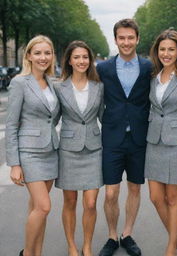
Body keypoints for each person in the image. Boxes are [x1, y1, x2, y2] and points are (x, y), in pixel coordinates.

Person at [96, 18, 152, 256]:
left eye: (131, 37)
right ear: (116, 39)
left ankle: (127, 233)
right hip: (112, 137)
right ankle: (111, 235)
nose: (126, 42)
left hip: (139, 138)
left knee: (135, 189)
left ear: (137, 39)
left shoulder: (150, 67)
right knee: (110, 192)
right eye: (122, 38)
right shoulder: (103, 69)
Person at [5, 35, 60, 256]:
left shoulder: (51, 83)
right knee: (44, 206)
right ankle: (27, 253)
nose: (43, 57)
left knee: (37, 209)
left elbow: (52, 118)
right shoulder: (20, 82)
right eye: (37, 53)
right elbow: (11, 124)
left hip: (50, 151)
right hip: (30, 153)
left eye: (47, 53)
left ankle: (37, 252)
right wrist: (14, 163)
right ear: (29, 55)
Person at [144, 30, 177, 256]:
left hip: (176, 144)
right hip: (154, 142)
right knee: (155, 197)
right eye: (162, 49)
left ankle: (171, 248)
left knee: (173, 199)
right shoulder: (153, 76)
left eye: (171, 49)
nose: (166, 53)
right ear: (157, 52)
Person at [54, 40, 104, 256]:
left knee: (91, 203)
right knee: (70, 201)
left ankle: (87, 246)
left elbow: (106, 117)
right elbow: (51, 119)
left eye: (85, 57)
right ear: (69, 61)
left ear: (90, 60)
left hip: (94, 149)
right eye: (77, 57)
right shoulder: (59, 86)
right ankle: (72, 246)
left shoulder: (99, 86)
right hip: (68, 150)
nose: (81, 61)